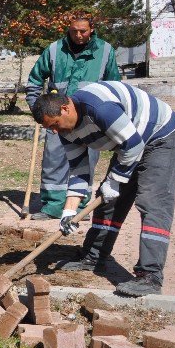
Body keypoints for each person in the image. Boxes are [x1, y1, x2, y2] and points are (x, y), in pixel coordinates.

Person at [31, 83, 175, 297]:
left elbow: (133, 145)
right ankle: (94, 257)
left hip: (160, 135)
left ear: (65, 108)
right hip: (130, 142)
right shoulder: (66, 131)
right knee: (107, 200)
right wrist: (69, 211)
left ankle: (150, 277)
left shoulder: (99, 108)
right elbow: (79, 171)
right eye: (50, 129)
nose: (55, 132)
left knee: (152, 203)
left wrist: (115, 181)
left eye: (55, 124)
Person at [25, 14, 120, 220]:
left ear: (92, 29)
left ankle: (80, 207)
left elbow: (115, 87)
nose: (78, 35)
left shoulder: (105, 51)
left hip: (91, 120)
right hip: (58, 118)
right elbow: (34, 81)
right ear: (68, 28)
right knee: (53, 160)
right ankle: (52, 206)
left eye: (83, 31)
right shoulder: (54, 50)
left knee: (87, 162)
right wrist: (39, 112)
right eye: (74, 30)